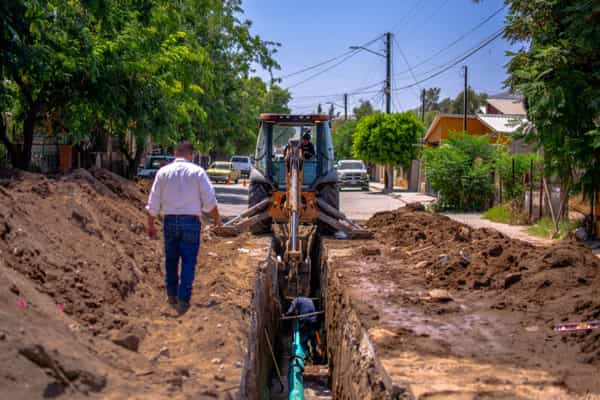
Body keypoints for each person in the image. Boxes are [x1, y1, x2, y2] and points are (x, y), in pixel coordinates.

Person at [146, 140, 221, 314]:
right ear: (191, 154)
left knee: (171, 260)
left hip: (169, 221)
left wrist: (150, 225)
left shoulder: (163, 172)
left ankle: (171, 295)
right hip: (190, 222)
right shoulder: (198, 172)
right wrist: (217, 219)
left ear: (175, 153)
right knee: (188, 261)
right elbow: (210, 200)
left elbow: (153, 202)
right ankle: (183, 299)